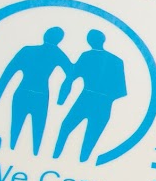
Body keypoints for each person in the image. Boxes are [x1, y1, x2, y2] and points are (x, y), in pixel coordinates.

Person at [53, 29, 128, 163]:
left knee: (71, 129)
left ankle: (72, 161)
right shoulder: (116, 60)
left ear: (89, 41)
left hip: (89, 98)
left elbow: (70, 78)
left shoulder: (87, 56)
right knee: (81, 132)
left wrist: (61, 100)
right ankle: (63, 158)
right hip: (101, 102)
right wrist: (107, 99)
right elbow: (120, 90)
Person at [0, 27, 70, 154]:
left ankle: (11, 151)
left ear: (45, 35)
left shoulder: (28, 50)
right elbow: (71, 73)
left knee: (16, 127)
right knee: (37, 131)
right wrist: (62, 97)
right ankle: (31, 153)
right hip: (40, 95)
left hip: (23, 92)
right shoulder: (57, 53)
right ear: (59, 40)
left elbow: (8, 72)